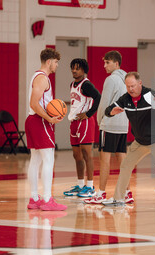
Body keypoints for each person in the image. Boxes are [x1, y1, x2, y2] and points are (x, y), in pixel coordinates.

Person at [102, 72, 155, 211]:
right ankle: (118, 199)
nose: (130, 89)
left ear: (140, 83)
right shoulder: (125, 98)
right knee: (126, 165)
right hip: (140, 141)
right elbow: (108, 110)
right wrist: (111, 112)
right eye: (128, 86)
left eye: (133, 86)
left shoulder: (150, 95)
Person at [85, 51, 134, 204]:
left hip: (110, 123)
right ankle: (127, 192)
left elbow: (104, 103)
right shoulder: (127, 79)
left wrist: (100, 120)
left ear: (116, 63)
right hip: (123, 125)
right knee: (122, 159)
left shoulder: (111, 79)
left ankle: (100, 193)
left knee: (104, 159)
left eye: (107, 62)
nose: (104, 65)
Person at [25, 48, 67, 211]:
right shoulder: (42, 79)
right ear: (49, 62)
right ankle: (47, 199)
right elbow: (34, 103)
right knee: (48, 159)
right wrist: (49, 118)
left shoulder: (37, 76)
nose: (57, 65)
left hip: (33, 120)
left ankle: (34, 198)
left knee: (35, 160)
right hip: (39, 121)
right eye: (56, 62)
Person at [63, 58, 101, 198]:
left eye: (77, 68)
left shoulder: (87, 85)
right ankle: (80, 185)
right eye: (72, 67)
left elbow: (98, 97)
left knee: (86, 154)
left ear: (84, 70)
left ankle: (90, 186)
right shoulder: (72, 84)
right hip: (74, 122)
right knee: (76, 155)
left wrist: (89, 113)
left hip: (85, 122)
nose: (74, 70)